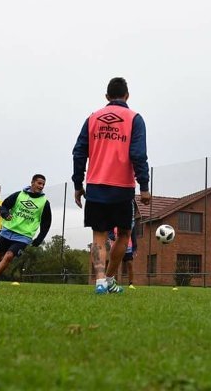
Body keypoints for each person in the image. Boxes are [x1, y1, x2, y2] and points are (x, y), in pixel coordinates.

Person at [72, 77, 150, 294]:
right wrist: (144, 185)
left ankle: (99, 281)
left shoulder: (92, 118)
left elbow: (79, 152)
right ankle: (109, 278)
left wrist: (78, 184)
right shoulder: (135, 118)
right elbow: (138, 154)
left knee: (99, 235)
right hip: (122, 187)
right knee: (124, 233)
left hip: (96, 186)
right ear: (127, 95)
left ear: (107, 97)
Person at [0, 174, 52, 286]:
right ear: (32, 183)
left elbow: (46, 223)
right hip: (7, 230)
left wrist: (39, 238)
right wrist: (4, 214)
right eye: (39, 183)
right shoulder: (19, 195)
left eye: (43, 184)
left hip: (24, 235)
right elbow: (4, 206)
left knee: (8, 256)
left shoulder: (44, 203)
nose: (41, 186)